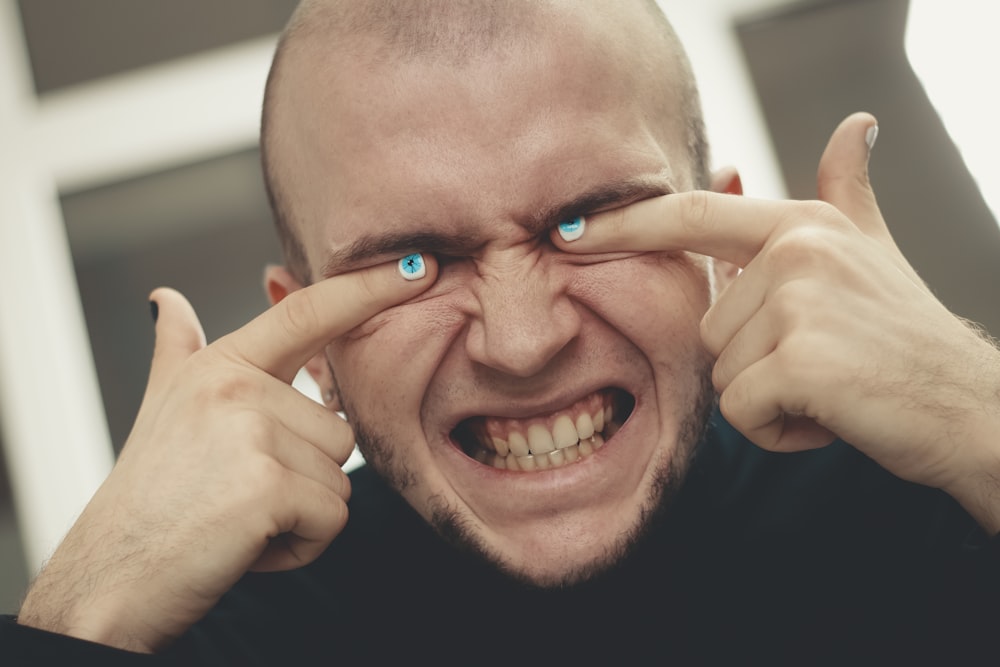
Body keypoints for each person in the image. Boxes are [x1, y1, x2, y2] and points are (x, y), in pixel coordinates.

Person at [5, 0, 1000, 663]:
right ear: (306, 335)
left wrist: (978, 414)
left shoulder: (941, 504)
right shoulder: (198, 639)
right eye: (412, 262)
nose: (519, 343)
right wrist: (84, 611)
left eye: (584, 220)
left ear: (720, 243)